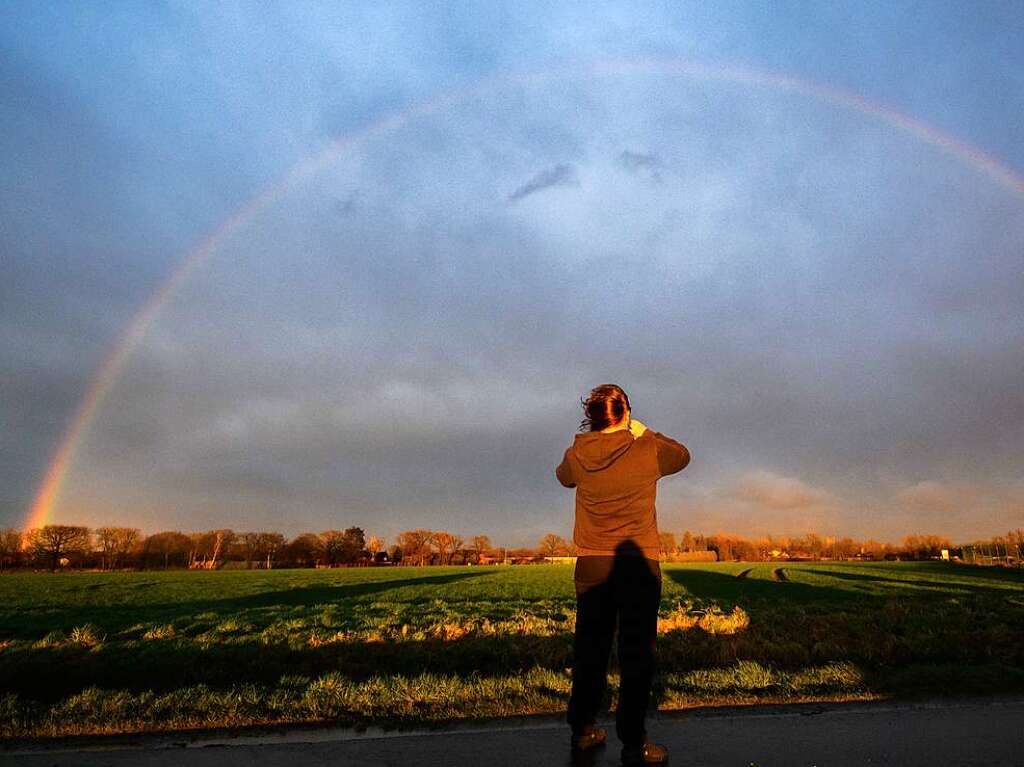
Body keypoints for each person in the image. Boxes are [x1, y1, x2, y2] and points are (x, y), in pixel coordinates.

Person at [556, 384, 690, 766]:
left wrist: (589, 443)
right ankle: (634, 742)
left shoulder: (577, 453)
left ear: (593, 416)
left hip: (592, 564)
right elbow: (682, 456)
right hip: (638, 566)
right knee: (636, 656)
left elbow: (563, 478)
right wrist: (644, 431)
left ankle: (582, 730)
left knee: (590, 651)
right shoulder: (646, 448)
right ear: (627, 412)